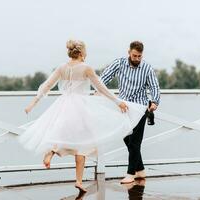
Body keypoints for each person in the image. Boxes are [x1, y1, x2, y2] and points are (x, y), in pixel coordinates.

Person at [18, 40, 146, 192]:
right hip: (80, 107)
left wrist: (32, 104)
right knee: (83, 144)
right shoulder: (86, 68)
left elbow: (47, 85)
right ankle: (78, 180)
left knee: (59, 131)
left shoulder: (62, 67)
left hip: (63, 105)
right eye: (86, 51)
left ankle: (50, 153)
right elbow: (102, 88)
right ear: (81, 53)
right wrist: (118, 102)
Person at [100, 41, 160, 184]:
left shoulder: (147, 68)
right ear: (129, 52)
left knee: (134, 142)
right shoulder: (119, 63)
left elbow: (154, 86)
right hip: (124, 107)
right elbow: (103, 78)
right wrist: (98, 91)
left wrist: (155, 101)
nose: (137, 59)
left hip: (140, 108)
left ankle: (130, 174)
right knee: (126, 138)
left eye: (139, 56)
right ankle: (140, 170)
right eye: (134, 55)